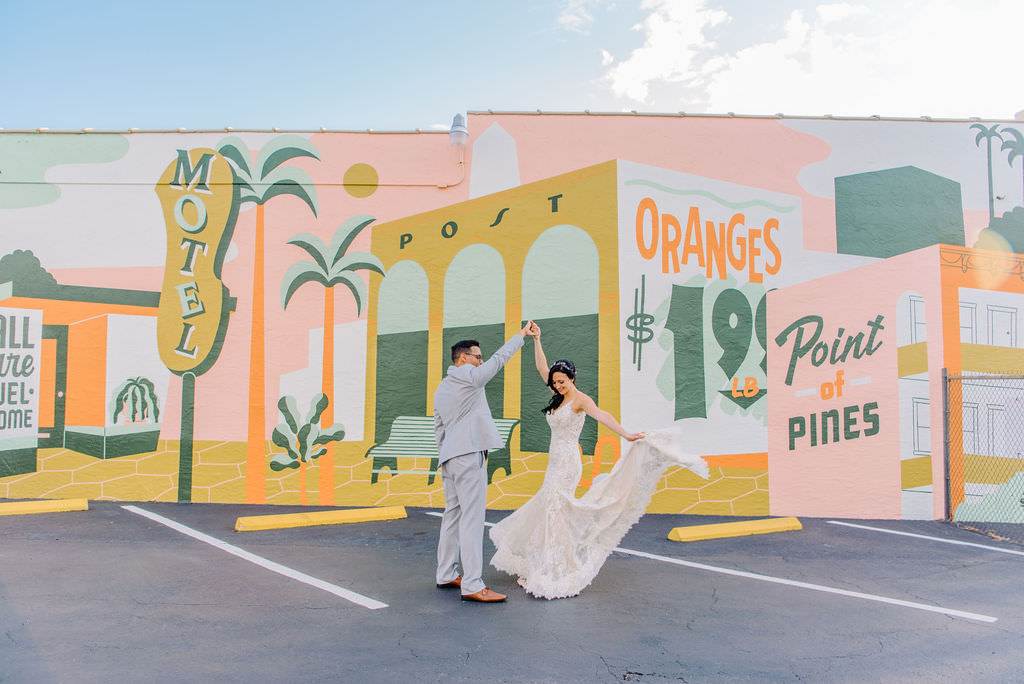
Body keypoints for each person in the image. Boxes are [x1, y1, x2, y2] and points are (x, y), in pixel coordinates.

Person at [489, 322, 710, 599]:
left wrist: (626, 434)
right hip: (554, 462)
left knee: (556, 512)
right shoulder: (558, 397)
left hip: (568, 463)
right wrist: (537, 341)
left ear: (572, 379)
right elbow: (541, 368)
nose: (557, 385)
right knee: (549, 510)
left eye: (563, 381)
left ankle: (559, 569)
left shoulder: (580, 400)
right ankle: (548, 563)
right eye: (555, 382)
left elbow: (603, 416)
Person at [433, 323, 534, 603]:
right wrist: (521, 336)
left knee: (452, 515)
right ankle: (473, 584)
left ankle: (446, 573)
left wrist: (445, 456)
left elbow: (437, 428)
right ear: (463, 358)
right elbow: (498, 361)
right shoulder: (469, 375)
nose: (481, 360)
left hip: (450, 458)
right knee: (473, 519)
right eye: (478, 356)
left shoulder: (441, 388)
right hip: (468, 455)